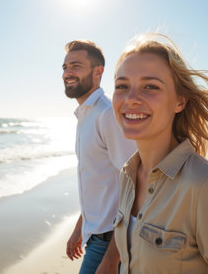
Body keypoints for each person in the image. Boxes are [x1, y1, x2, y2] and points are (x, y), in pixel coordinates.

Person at [111, 33, 208, 273]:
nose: (131, 99)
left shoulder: (206, 187)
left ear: (180, 102)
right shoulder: (127, 175)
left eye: (150, 86)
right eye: (122, 86)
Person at [62, 39, 136, 273]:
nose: (67, 73)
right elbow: (100, 184)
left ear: (98, 72)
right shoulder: (85, 116)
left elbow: (136, 184)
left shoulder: (106, 115)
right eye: (64, 68)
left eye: (75, 66)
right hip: (96, 237)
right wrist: (79, 228)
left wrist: (112, 258)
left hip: (111, 242)